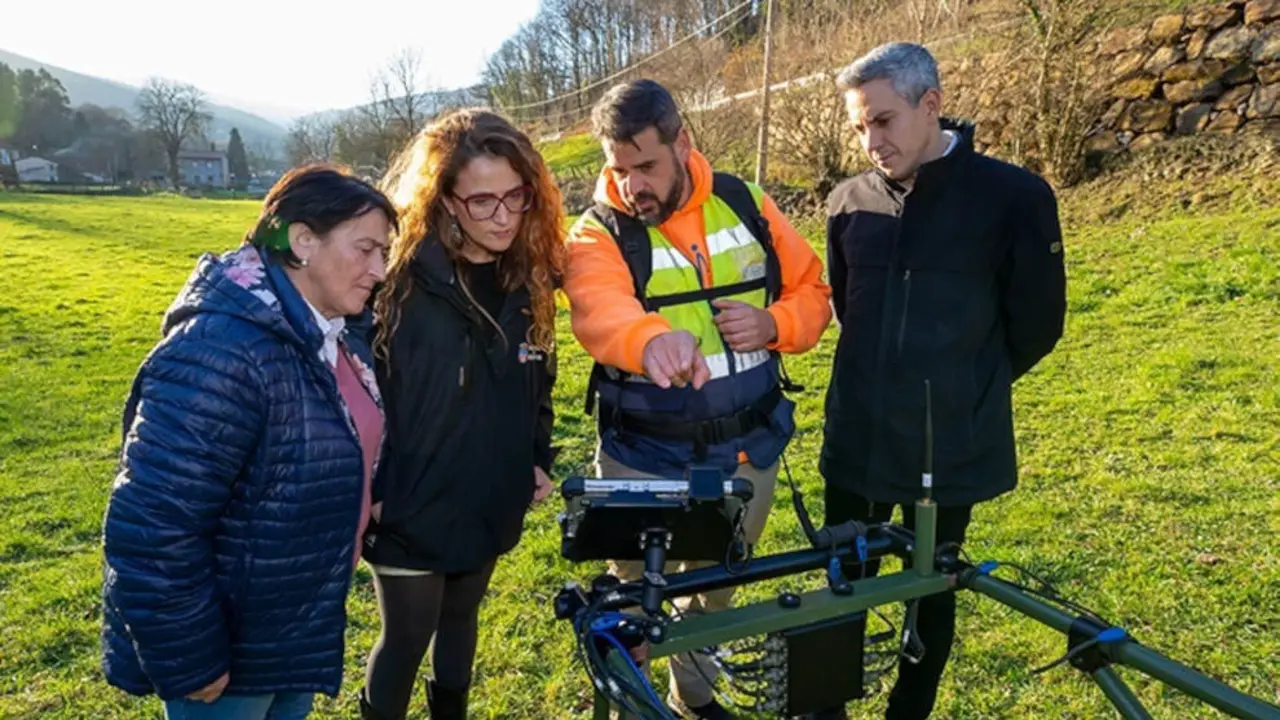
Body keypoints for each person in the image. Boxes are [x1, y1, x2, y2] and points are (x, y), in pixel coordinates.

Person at [563, 79, 833, 720]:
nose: (633, 185)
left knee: (715, 593)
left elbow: (812, 290)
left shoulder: (746, 203)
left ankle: (696, 700)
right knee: (630, 599)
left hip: (748, 453)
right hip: (641, 455)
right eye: (618, 169)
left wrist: (775, 326)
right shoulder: (598, 232)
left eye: (646, 166)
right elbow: (600, 309)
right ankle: (632, 703)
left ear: (684, 142)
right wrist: (648, 341)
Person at [817, 42, 1067, 719]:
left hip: (948, 443)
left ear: (932, 105)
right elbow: (847, 306)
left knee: (932, 588)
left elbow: (1038, 322)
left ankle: (909, 710)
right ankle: (826, 707)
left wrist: (965, 383)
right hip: (856, 438)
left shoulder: (1014, 197)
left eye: (884, 120)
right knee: (842, 582)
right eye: (859, 126)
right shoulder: (847, 203)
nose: (870, 140)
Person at [100, 164, 396, 720]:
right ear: (303, 241)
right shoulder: (221, 349)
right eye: (365, 250)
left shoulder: (327, 332)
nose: (379, 270)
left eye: (384, 253)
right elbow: (153, 524)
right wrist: (193, 659)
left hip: (290, 628)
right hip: (226, 650)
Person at [357, 108, 567, 720]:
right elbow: (356, 388)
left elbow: (539, 373)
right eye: (481, 202)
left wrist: (535, 453)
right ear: (445, 199)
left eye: (516, 197)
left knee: (462, 622)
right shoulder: (393, 281)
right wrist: (371, 481)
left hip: (489, 489)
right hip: (408, 498)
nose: (503, 217)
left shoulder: (527, 275)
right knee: (406, 636)